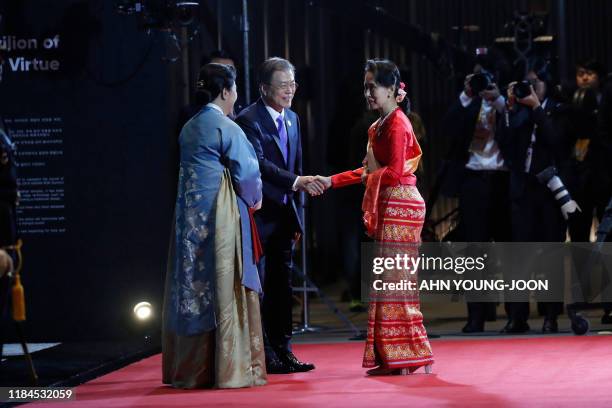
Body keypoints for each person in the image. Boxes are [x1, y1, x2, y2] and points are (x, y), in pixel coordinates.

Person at [315, 59, 433, 375]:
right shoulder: (376, 125)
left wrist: (368, 177)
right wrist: (330, 181)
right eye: (365, 86)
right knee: (386, 282)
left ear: (393, 89)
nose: (368, 92)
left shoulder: (397, 124)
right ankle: (395, 355)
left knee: (396, 282)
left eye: (373, 86)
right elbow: (370, 172)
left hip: (401, 205)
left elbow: (392, 173)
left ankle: (408, 355)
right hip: (390, 204)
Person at [162, 63, 267, 389]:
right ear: (226, 91)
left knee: (194, 285)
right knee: (225, 283)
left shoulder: (189, 127)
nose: (235, 96)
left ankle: (193, 369)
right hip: (221, 220)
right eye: (234, 89)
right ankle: (228, 367)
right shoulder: (225, 126)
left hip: (191, 220)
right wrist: (254, 198)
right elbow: (247, 174)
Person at [235, 57, 320, 374]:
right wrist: (297, 182)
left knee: (283, 286)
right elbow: (258, 165)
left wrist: (297, 212)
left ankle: (284, 349)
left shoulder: (294, 118)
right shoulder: (248, 120)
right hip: (259, 217)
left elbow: (295, 164)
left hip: (285, 215)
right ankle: (264, 352)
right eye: (283, 85)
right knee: (260, 286)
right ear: (264, 87)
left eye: (293, 84)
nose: (290, 90)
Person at [498, 60, 575, 333]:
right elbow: (504, 143)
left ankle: (551, 316)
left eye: (535, 83)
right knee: (519, 256)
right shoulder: (518, 112)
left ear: (547, 84)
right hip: (523, 190)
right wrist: (509, 108)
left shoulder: (560, 110)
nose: (530, 89)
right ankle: (517, 316)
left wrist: (537, 109)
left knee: (550, 256)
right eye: (526, 84)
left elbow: (556, 141)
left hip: (550, 192)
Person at [441, 61, 511, 333]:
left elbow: (518, 127)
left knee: (509, 248)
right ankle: (476, 316)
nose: (482, 83)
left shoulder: (506, 103)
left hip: (503, 180)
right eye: (476, 78)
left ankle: (516, 316)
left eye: (486, 77)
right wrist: (466, 95)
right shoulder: (467, 105)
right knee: (474, 253)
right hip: (472, 181)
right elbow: (448, 127)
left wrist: (501, 100)